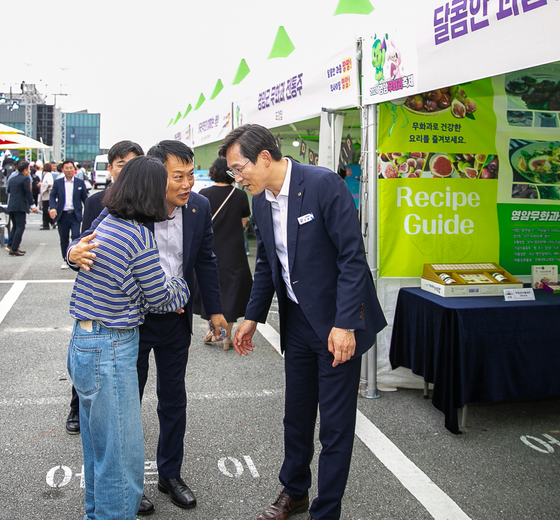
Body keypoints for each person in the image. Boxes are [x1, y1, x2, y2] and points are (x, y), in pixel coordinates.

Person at [220, 124, 386, 520]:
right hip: (296, 325)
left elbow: (351, 258)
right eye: (232, 172)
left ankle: (325, 511)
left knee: (334, 427)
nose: (237, 178)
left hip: (335, 325)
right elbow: (267, 264)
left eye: (239, 168)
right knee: (296, 416)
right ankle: (293, 492)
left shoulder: (323, 184)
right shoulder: (260, 199)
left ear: (264, 157)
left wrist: (346, 324)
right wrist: (252, 317)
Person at [68, 140, 227, 516]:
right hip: (129, 325)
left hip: (173, 320)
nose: (187, 184)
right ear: (156, 179)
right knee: (123, 412)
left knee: (173, 400)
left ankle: (169, 475)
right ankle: (128, 487)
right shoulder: (127, 214)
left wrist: (215, 311)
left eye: (191, 175)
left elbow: (204, 258)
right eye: (178, 177)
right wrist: (73, 253)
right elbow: (86, 245)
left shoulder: (200, 207)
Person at [65, 140, 144, 437]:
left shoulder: (149, 201)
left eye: (133, 165)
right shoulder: (98, 202)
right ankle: (77, 406)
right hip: (100, 303)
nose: (126, 172)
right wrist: (73, 254)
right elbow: (85, 241)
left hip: (134, 306)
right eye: (121, 165)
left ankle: (121, 419)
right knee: (90, 362)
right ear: (110, 168)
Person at [194, 156, 253, 350]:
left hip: (211, 249)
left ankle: (213, 330)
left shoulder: (203, 194)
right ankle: (227, 335)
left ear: (213, 172)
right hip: (234, 251)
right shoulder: (240, 196)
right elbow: (243, 224)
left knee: (213, 289)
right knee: (232, 291)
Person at [49, 159, 88, 269]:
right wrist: (52, 208)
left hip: (75, 214)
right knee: (63, 238)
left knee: (76, 236)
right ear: (62, 169)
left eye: (71, 168)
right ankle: (66, 259)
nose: (69, 170)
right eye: (66, 168)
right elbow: (52, 196)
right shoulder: (58, 183)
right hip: (62, 215)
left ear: (74, 169)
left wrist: (89, 211)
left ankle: (75, 259)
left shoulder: (79, 182)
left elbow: (85, 199)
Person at [6, 160, 38, 256]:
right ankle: (14, 248)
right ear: (24, 170)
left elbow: (8, 190)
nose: (29, 171)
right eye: (28, 169)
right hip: (20, 206)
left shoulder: (12, 179)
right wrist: (32, 206)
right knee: (20, 226)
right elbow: (28, 193)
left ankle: (11, 245)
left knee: (15, 226)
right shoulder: (25, 179)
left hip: (11, 205)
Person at [39, 163, 55, 230]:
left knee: (45, 210)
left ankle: (52, 221)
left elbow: (50, 184)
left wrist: (41, 184)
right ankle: (46, 224)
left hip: (47, 194)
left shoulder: (48, 175)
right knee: (45, 210)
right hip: (45, 194)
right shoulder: (46, 175)